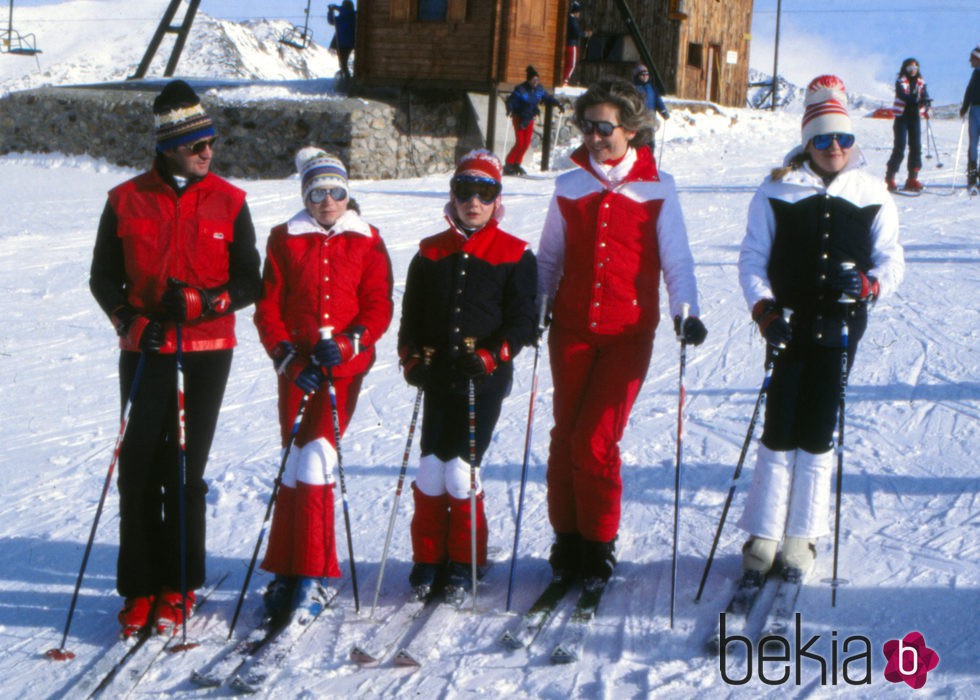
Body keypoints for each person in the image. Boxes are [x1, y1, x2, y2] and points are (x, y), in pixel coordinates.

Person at [89, 80, 262, 638]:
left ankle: (180, 584)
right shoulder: (124, 199)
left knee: (186, 470)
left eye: (210, 140)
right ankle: (140, 588)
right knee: (139, 466)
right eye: (195, 144)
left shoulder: (231, 201)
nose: (207, 150)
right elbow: (102, 278)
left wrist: (208, 301)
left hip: (207, 350)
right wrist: (131, 322)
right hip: (147, 349)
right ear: (167, 146)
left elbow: (250, 280)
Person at [536, 78, 707, 590]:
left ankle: (599, 540)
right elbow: (550, 257)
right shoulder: (571, 185)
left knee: (595, 439)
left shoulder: (657, 185)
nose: (593, 137)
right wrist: (538, 307)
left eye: (603, 127)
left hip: (628, 332)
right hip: (570, 329)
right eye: (586, 127)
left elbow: (676, 257)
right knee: (565, 437)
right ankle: (568, 538)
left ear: (630, 129)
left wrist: (686, 311)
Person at [736, 75, 904, 586]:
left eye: (844, 138)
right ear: (808, 140)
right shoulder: (776, 188)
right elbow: (751, 258)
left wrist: (870, 285)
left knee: (818, 424)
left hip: (842, 326)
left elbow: (892, 259)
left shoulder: (872, 191)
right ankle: (765, 532)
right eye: (824, 138)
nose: (835, 147)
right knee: (779, 420)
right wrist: (764, 310)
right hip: (787, 324)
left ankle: (801, 535)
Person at [253, 147, 393, 619]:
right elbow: (267, 307)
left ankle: (313, 573)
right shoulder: (284, 239)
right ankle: (285, 570)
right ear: (305, 196)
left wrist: (353, 341)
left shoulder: (367, 239)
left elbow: (379, 304)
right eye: (317, 193)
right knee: (293, 465)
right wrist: (286, 357)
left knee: (317, 461)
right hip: (298, 371)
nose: (327, 201)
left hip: (342, 373)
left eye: (335, 192)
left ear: (347, 195)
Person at [398, 149, 537, 599]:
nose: (473, 202)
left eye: (485, 192)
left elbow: (522, 323)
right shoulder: (429, 252)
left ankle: (466, 558)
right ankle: (428, 558)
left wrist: (492, 357)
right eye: (464, 191)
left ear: (498, 198)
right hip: (439, 374)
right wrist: (412, 360)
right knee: (431, 469)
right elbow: (410, 318)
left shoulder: (515, 254)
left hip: (483, 378)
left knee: (461, 469)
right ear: (452, 195)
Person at [504, 65, 563, 176]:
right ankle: (509, 163)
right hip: (519, 117)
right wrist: (509, 109)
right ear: (529, 80)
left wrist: (558, 104)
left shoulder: (539, 89)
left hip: (530, 118)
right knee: (520, 142)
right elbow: (511, 101)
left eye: (537, 79)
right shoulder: (520, 89)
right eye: (533, 80)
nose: (536, 82)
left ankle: (517, 163)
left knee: (526, 144)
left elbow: (548, 98)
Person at [885, 58, 931, 192]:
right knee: (900, 147)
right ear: (905, 69)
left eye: (915, 68)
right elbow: (902, 95)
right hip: (902, 117)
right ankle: (890, 177)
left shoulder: (921, 83)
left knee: (916, 147)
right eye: (910, 68)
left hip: (915, 117)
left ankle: (912, 178)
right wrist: (917, 100)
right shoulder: (900, 81)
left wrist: (926, 102)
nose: (913, 71)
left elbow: (924, 95)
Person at [632, 63, 670, 150]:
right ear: (637, 76)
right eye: (642, 75)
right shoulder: (634, 89)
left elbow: (658, 101)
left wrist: (663, 111)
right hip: (639, 122)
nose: (645, 76)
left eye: (647, 74)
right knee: (640, 143)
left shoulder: (652, 88)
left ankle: (650, 159)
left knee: (650, 143)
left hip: (650, 121)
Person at [960, 46, 980, 190]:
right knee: (973, 143)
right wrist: (965, 107)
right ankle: (972, 174)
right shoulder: (975, 74)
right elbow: (969, 91)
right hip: (974, 110)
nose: (970, 61)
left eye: (972, 59)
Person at [328, 1, 357, 83]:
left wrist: (332, 10)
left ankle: (347, 81)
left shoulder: (343, 17)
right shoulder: (353, 16)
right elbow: (332, 20)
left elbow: (331, 20)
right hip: (349, 43)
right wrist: (335, 9)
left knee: (343, 63)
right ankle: (347, 78)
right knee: (344, 63)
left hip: (342, 44)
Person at [562, 2, 587, 86]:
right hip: (572, 44)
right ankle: (565, 80)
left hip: (567, 43)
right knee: (572, 64)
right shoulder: (573, 21)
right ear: (576, 12)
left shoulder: (567, 19)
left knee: (566, 63)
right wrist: (584, 34)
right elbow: (576, 32)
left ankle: (564, 79)